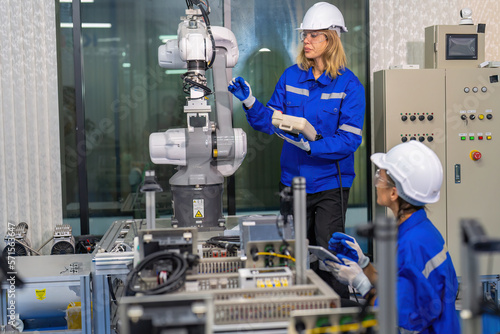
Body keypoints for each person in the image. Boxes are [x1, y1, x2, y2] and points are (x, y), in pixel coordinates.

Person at [228, 2, 365, 299]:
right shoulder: (291, 77)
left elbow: (349, 139)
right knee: (294, 254)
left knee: (329, 256)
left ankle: (335, 313)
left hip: (331, 184)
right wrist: (251, 102)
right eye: (305, 35)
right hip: (292, 183)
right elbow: (271, 122)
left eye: (314, 35)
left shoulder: (349, 86)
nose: (306, 41)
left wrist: (312, 146)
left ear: (331, 40)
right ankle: (298, 312)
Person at [325, 141, 461, 333]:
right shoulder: (418, 229)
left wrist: (362, 285)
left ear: (394, 192)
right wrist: (364, 265)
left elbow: (400, 314)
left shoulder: (412, 243)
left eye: (380, 179)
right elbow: (400, 288)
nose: (376, 184)